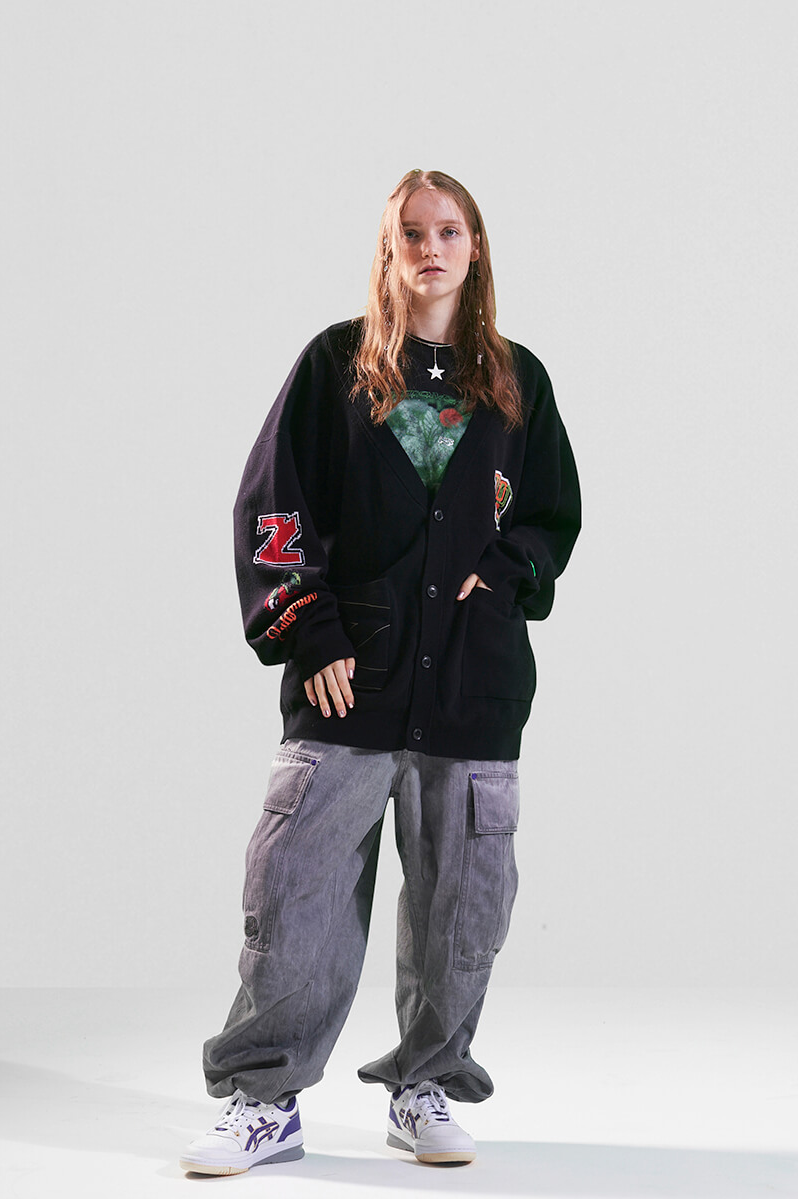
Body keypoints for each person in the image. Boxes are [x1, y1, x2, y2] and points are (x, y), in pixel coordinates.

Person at [179, 168, 581, 1176]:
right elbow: (273, 507)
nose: (430, 248)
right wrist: (307, 631)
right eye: (412, 232)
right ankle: (264, 1099)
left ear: (475, 247)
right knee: (296, 899)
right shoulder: (336, 365)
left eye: (449, 231)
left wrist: (507, 573)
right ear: (389, 250)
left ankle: (425, 1085)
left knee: (463, 911)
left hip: (473, 691)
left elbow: (550, 514)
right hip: (349, 685)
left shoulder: (517, 381)